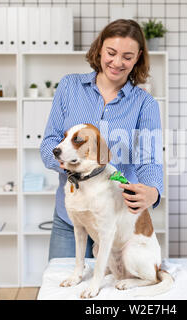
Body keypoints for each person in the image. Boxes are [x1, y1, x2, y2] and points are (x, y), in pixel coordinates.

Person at [40, 19, 163, 260]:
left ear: (138, 57)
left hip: (118, 219)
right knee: (64, 289)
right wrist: (65, 162)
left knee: (116, 288)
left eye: (127, 56)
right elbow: (50, 142)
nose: (117, 63)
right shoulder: (69, 87)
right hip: (72, 216)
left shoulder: (144, 104)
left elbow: (149, 159)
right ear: (99, 49)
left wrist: (153, 192)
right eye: (111, 52)